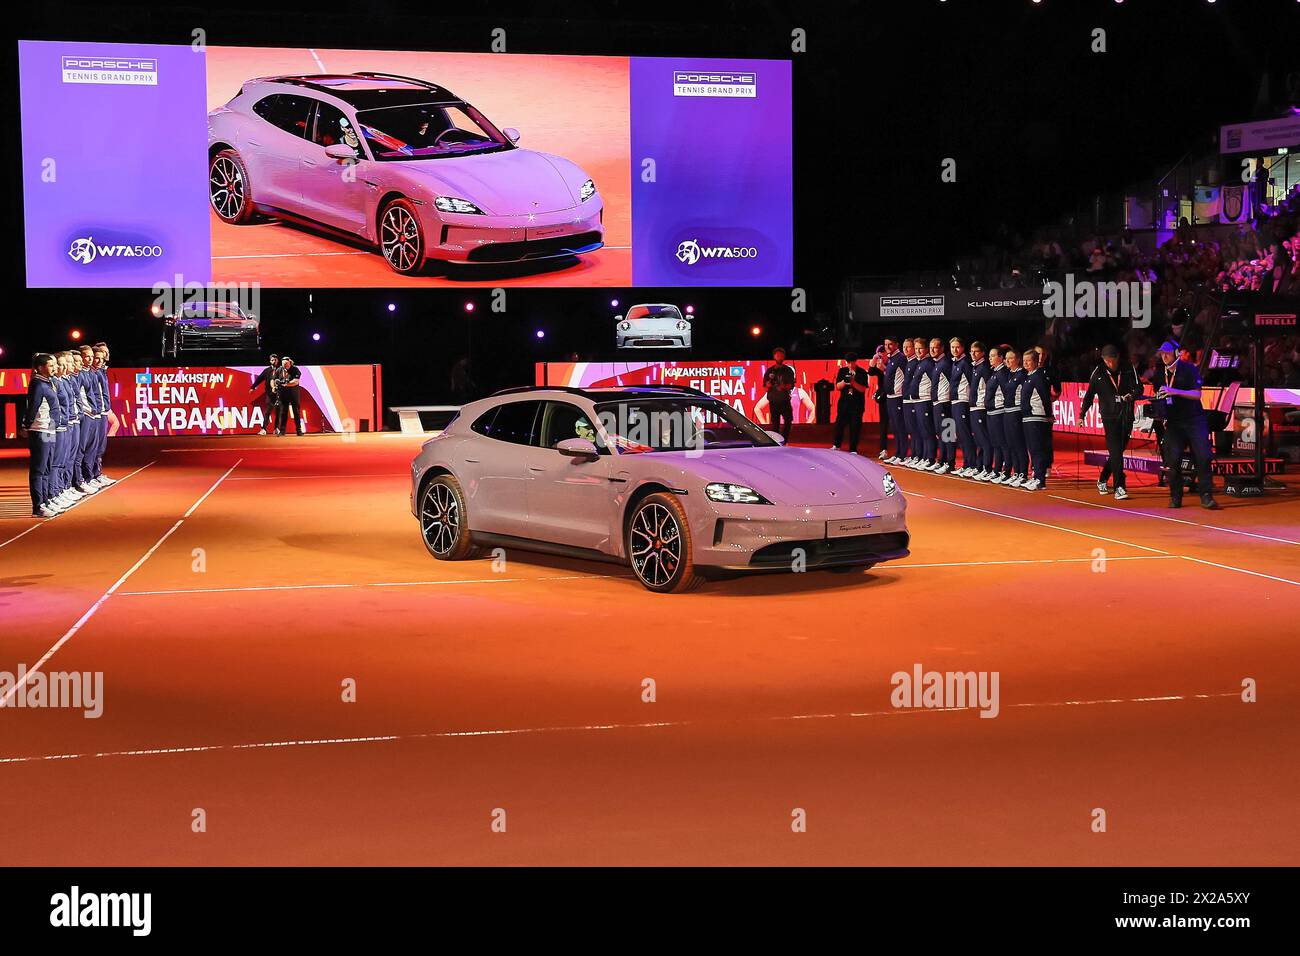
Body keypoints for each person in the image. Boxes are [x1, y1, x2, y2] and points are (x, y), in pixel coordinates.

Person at [1156, 339, 1217, 509]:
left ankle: (1206, 495)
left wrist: (1173, 391)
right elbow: (1159, 395)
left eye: (1167, 352)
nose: (1164, 356)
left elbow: (1197, 395)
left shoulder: (1189, 369)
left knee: (1203, 456)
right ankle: (1176, 496)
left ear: (1177, 353)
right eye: (1162, 353)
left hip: (1194, 419)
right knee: (1172, 460)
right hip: (1174, 422)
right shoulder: (1159, 373)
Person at [1079, 344, 1141, 501]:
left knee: (1118, 451)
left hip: (1126, 416)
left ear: (1117, 357)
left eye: (1112, 360)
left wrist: (1131, 396)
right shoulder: (1099, 372)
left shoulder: (1128, 368)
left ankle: (1102, 478)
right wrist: (1082, 414)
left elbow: (1139, 387)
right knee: (1115, 450)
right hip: (1109, 417)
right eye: (1106, 360)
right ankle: (1120, 487)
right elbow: (1089, 395)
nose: (1110, 363)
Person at [22, 354, 60, 517]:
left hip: (49, 428)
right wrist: (27, 425)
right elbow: (33, 407)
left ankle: (45, 501)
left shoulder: (48, 382)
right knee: (39, 468)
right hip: (40, 429)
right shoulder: (38, 384)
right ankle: (37, 506)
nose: (54, 368)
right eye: (50, 366)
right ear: (40, 367)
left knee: (47, 466)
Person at [1020, 349, 1054, 491]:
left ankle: (1040, 479)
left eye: (1029, 361)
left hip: (1037, 417)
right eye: (1024, 361)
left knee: (1037, 449)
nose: (1026, 363)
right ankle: (1036, 477)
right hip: (1029, 417)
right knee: (1032, 449)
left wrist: (1048, 415)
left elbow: (1045, 397)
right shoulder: (1029, 376)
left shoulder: (1038, 377)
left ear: (1035, 361)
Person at [999, 347, 1028, 486]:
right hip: (1007, 411)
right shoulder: (1009, 374)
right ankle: (1016, 472)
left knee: (1019, 444)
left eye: (1011, 358)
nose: (1007, 361)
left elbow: (1024, 395)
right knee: (1011, 444)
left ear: (1018, 360)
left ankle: (1023, 473)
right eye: (1006, 358)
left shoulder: (1021, 374)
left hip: (1016, 412)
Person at [948, 337, 976, 476]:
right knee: (960, 435)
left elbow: (972, 382)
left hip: (962, 401)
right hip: (955, 401)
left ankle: (971, 464)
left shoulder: (965, 363)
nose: (954, 350)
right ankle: (967, 464)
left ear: (963, 348)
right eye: (952, 347)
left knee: (965, 434)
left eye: (957, 347)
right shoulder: (955, 363)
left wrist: (971, 400)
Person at [831, 352, 870, 453]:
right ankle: (836, 445)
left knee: (855, 427)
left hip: (857, 404)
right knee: (839, 425)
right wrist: (845, 381)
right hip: (844, 403)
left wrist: (853, 382)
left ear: (855, 362)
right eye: (848, 363)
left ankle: (853, 448)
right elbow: (838, 387)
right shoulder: (842, 371)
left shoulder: (862, 372)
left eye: (852, 363)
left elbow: (862, 389)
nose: (850, 365)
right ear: (846, 362)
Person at [908, 336, 936, 469]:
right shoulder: (920, 363)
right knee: (921, 430)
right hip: (918, 401)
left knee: (927, 430)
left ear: (926, 350)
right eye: (916, 348)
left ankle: (930, 458)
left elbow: (935, 382)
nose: (918, 351)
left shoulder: (928, 363)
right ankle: (924, 456)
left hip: (925, 401)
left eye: (921, 348)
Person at [928, 337, 954, 473]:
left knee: (947, 433)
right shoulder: (937, 363)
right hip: (938, 403)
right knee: (941, 433)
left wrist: (948, 398)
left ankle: (950, 462)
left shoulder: (945, 363)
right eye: (931, 347)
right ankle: (942, 460)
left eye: (935, 347)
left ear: (942, 348)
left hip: (944, 403)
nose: (932, 350)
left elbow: (953, 382)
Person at [884, 337, 912, 464]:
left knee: (900, 427)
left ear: (896, 345)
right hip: (890, 397)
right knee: (895, 427)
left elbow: (906, 376)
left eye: (890, 344)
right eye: (886, 344)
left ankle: (902, 454)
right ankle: (898, 453)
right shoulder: (891, 359)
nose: (888, 347)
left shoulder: (900, 358)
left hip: (898, 397)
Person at [968, 341, 993, 480]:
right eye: (971, 351)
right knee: (979, 439)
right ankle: (980, 466)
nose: (973, 354)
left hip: (980, 407)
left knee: (984, 439)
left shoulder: (984, 368)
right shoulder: (976, 367)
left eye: (976, 351)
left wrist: (984, 403)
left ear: (982, 353)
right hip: (974, 407)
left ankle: (987, 467)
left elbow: (988, 389)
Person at [985, 345, 1010, 482]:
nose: (990, 358)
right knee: (995, 442)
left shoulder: (1002, 373)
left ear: (1001, 358)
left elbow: (1007, 392)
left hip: (999, 411)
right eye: (989, 356)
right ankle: (997, 469)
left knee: (1002, 442)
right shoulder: (994, 372)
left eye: (993, 356)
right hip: (991, 411)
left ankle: (1005, 472)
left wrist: (999, 405)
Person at [763, 347, 796, 441]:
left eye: (781, 355)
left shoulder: (788, 370)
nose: (779, 357)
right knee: (775, 423)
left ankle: (785, 439)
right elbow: (765, 386)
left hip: (785, 400)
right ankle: (776, 441)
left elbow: (791, 385)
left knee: (788, 420)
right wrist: (769, 384)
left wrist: (783, 387)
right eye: (777, 355)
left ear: (784, 357)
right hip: (773, 400)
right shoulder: (770, 371)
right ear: (774, 357)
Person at [250, 354, 281, 436]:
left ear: (277, 360)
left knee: (278, 412)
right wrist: (253, 387)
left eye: (275, 360)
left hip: (279, 394)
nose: (274, 361)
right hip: (270, 394)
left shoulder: (281, 370)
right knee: (268, 412)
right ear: (270, 361)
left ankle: (276, 429)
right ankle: (263, 429)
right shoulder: (267, 370)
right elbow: (259, 379)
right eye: (272, 360)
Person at [276, 356, 304, 436]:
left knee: (296, 412)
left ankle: (299, 430)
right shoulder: (279, 370)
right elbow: (275, 379)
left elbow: (296, 381)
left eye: (286, 364)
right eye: (283, 364)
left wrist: (285, 384)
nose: (285, 365)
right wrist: (275, 385)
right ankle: (282, 431)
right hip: (283, 394)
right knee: (283, 412)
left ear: (290, 363)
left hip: (293, 394)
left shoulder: (295, 369)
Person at [869, 347, 889, 456]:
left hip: (895, 396)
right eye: (879, 355)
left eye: (883, 354)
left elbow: (895, 376)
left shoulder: (893, 362)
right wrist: (874, 358)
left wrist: (884, 369)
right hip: (883, 397)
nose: (882, 357)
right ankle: (883, 450)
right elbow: (871, 372)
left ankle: (902, 452)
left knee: (897, 425)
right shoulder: (879, 364)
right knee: (883, 424)